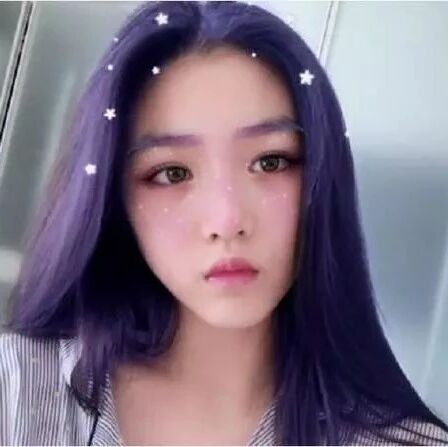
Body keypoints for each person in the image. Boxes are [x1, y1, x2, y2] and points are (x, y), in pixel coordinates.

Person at [1, 1, 447, 445]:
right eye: (172, 173)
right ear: (114, 200)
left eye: (271, 162)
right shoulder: (15, 392)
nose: (227, 220)